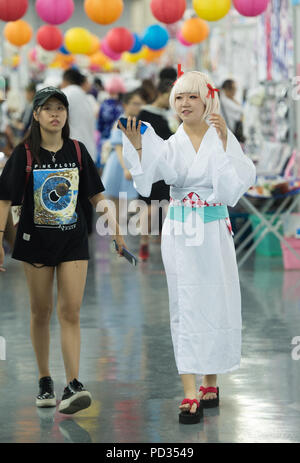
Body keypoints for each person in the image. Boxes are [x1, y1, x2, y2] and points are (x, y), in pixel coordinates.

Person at [118, 71, 256, 424]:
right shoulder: (170, 144)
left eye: (192, 97)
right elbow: (148, 181)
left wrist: (225, 145)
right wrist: (136, 147)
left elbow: (233, 188)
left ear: (207, 99)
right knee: (185, 303)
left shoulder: (224, 137)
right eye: (179, 98)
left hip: (214, 232)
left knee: (217, 299)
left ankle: (211, 379)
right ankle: (190, 389)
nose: (184, 104)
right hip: (180, 231)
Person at [0, 87, 127, 414]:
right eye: (48, 108)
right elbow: (3, 199)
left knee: (70, 311)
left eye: (61, 108)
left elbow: (97, 197)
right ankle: (44, 379)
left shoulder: (78, 151)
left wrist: (115, 228)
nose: (55, 114)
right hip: (35, 243)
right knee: (40, 312)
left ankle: (73, 382)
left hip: (73, 240)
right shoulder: (24, 154)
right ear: (37, 115)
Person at [137, 79, 174, 260]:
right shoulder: (145, 113)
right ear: (161, 94)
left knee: (165, 204)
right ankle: (144, 242)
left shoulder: (170, 115)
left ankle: (167, 241)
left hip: (166, 166)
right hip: (149, 166)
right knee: (149, 206)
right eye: (171, 96)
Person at [101, 89, 145, 229]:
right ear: (126, 104)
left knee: (124, 202)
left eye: (140, 104)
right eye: (135, 103)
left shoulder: (137, 122)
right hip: (118, 164)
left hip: (129, 163)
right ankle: (116, 235)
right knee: (115, 200)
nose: (138, 107)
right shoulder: (120, 122)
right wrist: (126, 168)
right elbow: (118, 147)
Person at [61, 69, 97, 235]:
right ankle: (87, 230)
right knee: (86, 194)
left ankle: (76, 230)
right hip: (88, 149)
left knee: (72, 193)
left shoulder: (67, 94)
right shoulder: (86, 97)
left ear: (66, 80)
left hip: (72, 150)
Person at [96, 76, 126, 173]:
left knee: (105, 167)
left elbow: (99, 124)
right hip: (120, 141)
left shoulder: (104, 104)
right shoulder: (122, 105)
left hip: (105, 139)